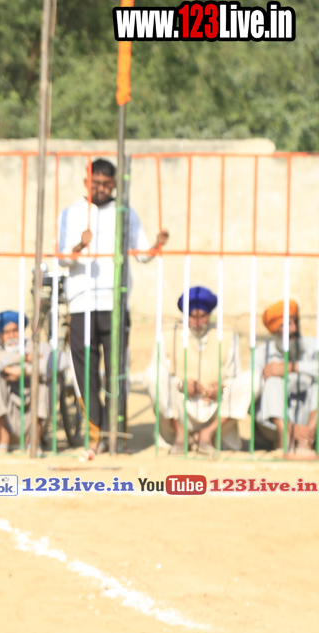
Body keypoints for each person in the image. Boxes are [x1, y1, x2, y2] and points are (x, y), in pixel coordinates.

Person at [58, 158, 168, 452]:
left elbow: (141, 254)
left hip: (115, 301)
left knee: (117, 369)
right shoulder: (71, 213)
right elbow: (62, 258)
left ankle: (115, 434)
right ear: (87, 182)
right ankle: (96, 435)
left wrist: (156, 245)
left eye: (107, 184)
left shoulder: (125, 213)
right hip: (81, 302)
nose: (102, 188)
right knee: (85, 370)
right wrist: (80, 246)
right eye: (96, 183)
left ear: (115, 184)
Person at [150, 287, 248, 454]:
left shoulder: (227, 335)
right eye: (192, 316)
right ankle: (180, 434)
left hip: (216, 406)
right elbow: (159, 374)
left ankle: (207, 434)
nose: (197, 322)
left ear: (209, 315)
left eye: (202, 316)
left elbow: (235, 377)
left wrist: (221, 388)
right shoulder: (167, 334)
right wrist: (181, 385)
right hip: (181, 406)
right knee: (153, 375)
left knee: (250, 379)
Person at [0, 311, 59, 453]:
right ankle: (2, 438)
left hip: (28, 416)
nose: (12, 336)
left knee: (49, 377)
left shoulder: (35, 345)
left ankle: (33, 439)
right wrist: (24, 358)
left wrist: (25, 372)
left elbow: (59, 361)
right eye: (6, 332)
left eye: (16, 330)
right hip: (2, 419)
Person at [253, 299, 317, 455]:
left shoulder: (312, 346)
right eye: (286, 325)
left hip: (308, 419)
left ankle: (306, 440)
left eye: (296, 322)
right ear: (275, 330)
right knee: (272, 380)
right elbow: (252, 390)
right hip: (273, 426)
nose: (294, 329)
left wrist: (291, 367)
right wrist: (291, 427)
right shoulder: (261, 353)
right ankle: (285, 439)